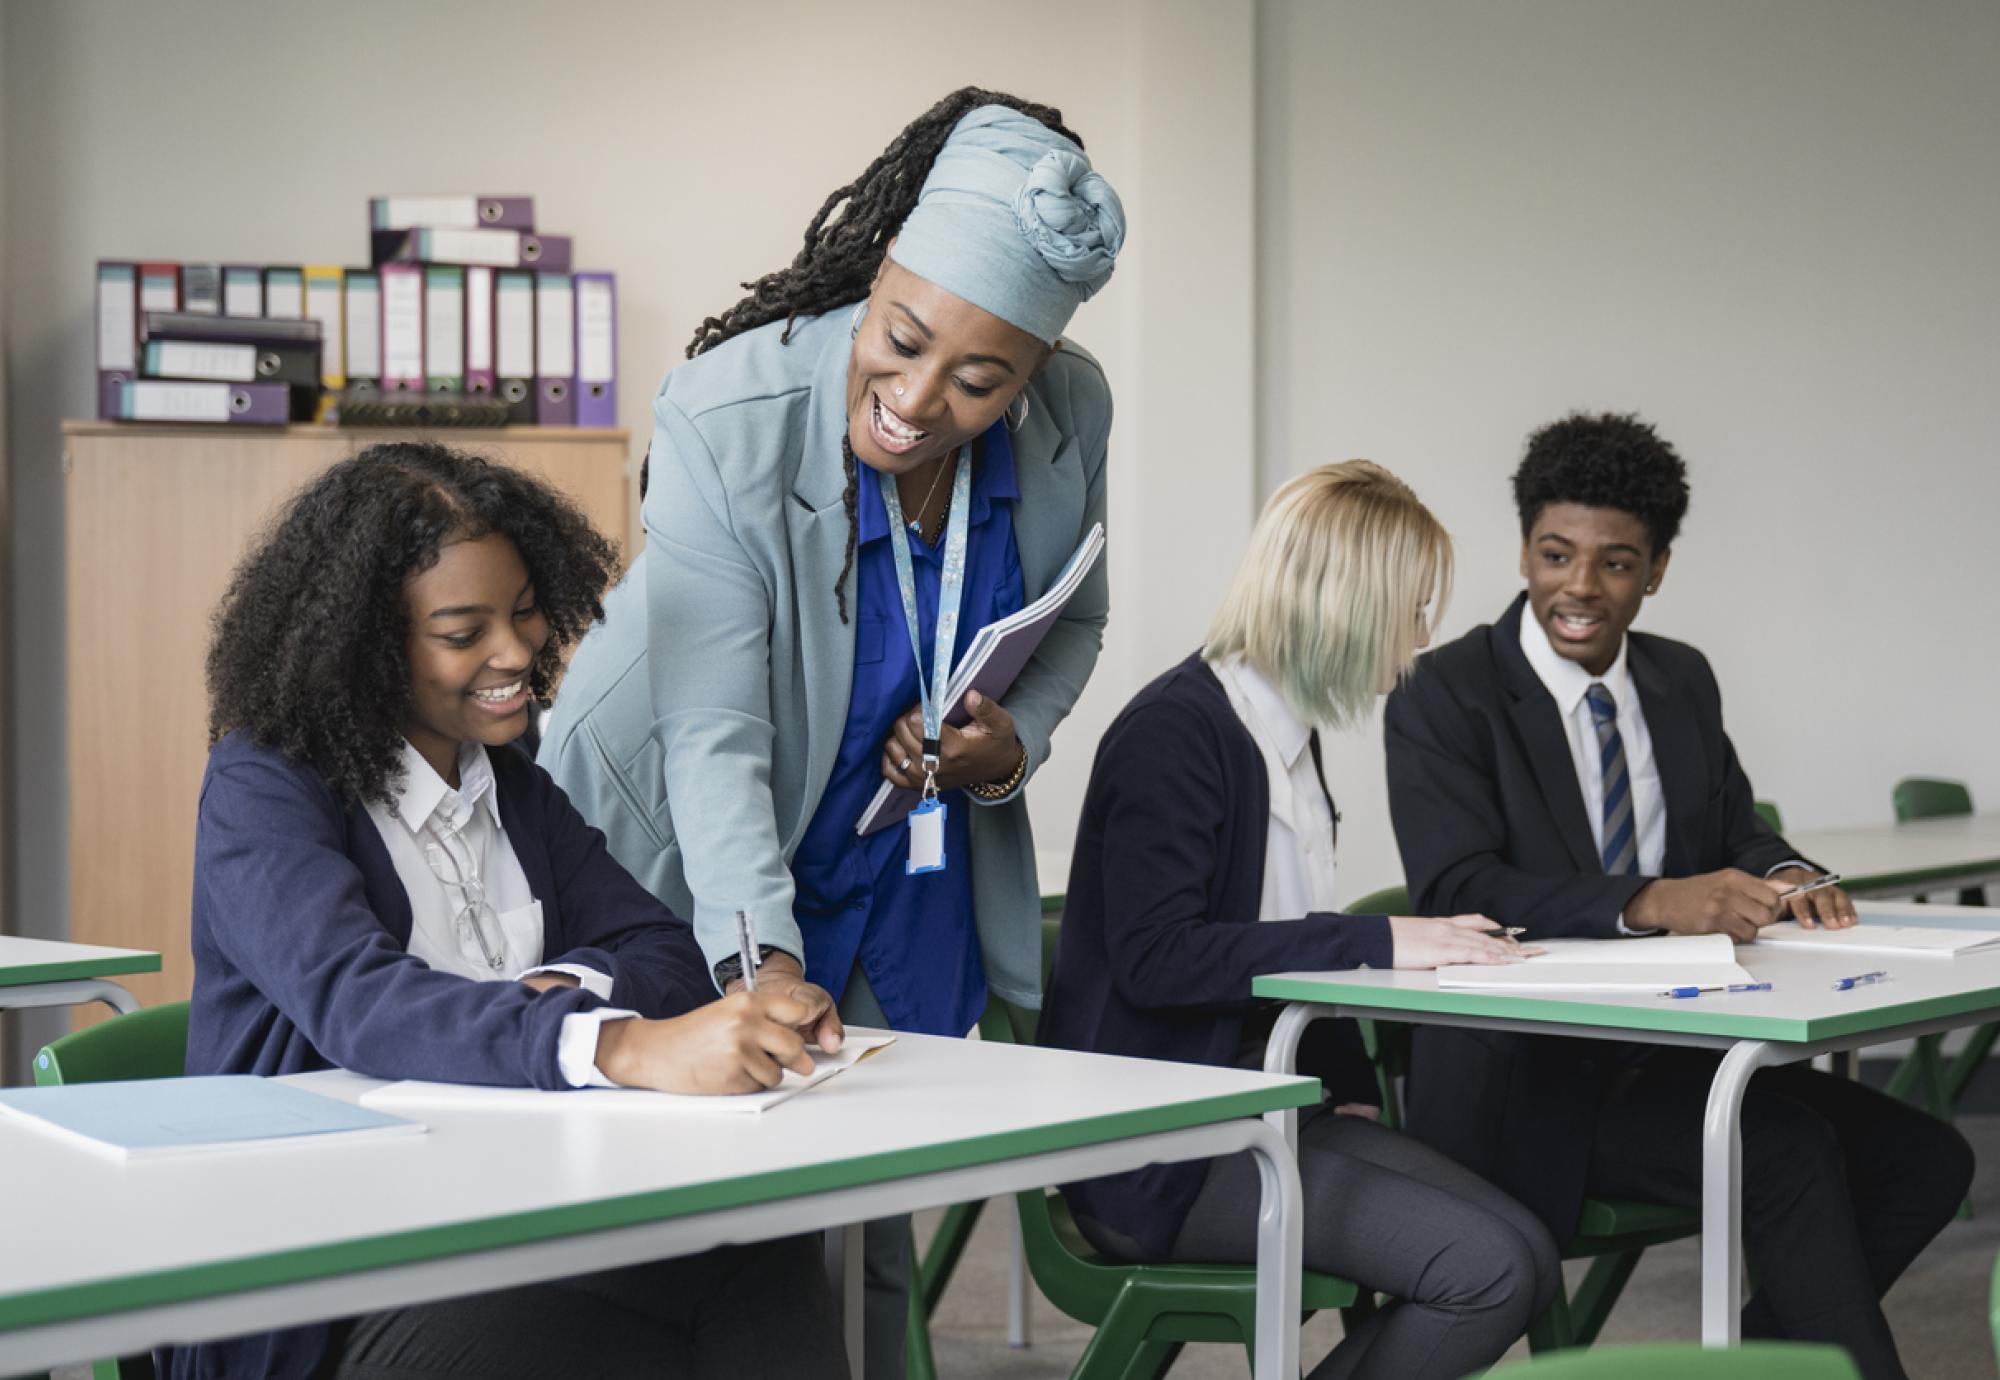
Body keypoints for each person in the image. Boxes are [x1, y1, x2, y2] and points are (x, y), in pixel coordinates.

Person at [538, 88, 1123, 1377]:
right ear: (875, 279)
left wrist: (1005, 740)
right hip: (667, 841)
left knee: (861, 1200)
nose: (917, 398)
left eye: (978, 379)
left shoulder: (1071, 416)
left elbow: (1071, 620)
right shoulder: (726, 413)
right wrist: (754, 960)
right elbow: (711, 732)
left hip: (881, 849)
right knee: (675, 1229)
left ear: (1027, 376)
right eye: (899, 339)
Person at [184, 441, 845, 1380]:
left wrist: (555, 993)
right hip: (328, 1264)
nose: (516, 651)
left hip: (510, 1205)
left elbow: (656, 946)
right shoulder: (265, 786)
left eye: (526, 611)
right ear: (369, 647)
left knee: (759, 1250)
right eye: (464, 632)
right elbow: (356, 1000)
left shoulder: (513, 787)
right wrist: (612, 1042)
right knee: (609, 1318)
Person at [1384, 412, 1973, 1379]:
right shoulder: (1446, 693)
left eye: (1615, 563)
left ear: (1656, 570)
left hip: (1688, 1047)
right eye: (1555, 553)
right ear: (1524, 548)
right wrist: (1652, 899)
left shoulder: (1679, 679)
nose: (1579, 586)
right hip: (1533, 1083)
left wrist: (1789, 875)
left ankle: (1765, 1363)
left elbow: (1735, 830)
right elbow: (1458, 885)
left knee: (1930, 1161)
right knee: (1786, 1152)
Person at [1038, 461, 1558, 1380]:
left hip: (1264, 1104)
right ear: (1346, 606)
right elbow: (1160, 959)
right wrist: (1382, 938)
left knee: (1530, 1250)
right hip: (1160, 1150)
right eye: (1410, 609)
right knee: (1485, 1271)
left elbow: (1286, 936)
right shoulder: (1177, 734)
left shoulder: (1287, 735)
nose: (1421, 637)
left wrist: (1341, 1072)